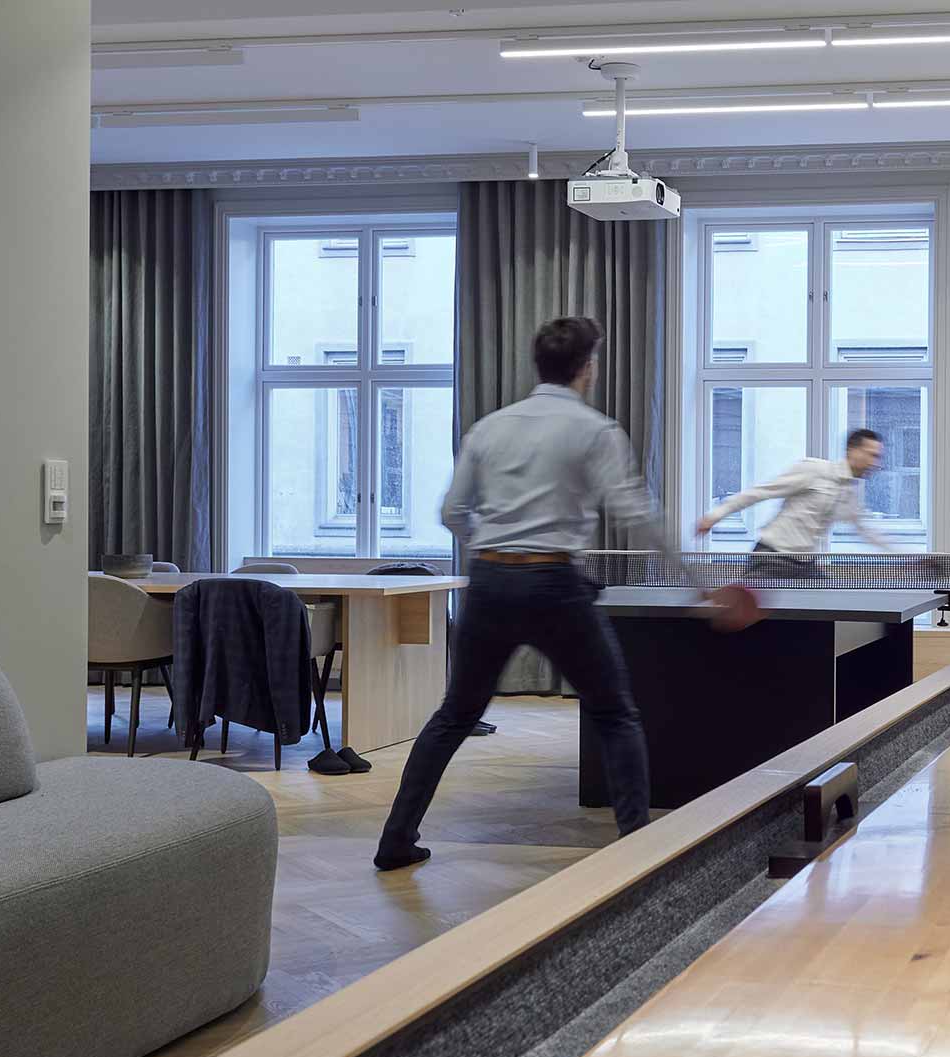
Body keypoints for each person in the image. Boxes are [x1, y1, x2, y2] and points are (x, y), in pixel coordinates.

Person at [376, 316, 666, 871]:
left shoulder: (489, 429)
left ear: (540, 364)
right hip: (554, 583)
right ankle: (636, 847)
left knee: (455, 715)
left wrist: (492, 547)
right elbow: (636, 513)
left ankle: (395, 840)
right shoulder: (595, 430)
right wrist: (699, 581)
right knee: (615, 715)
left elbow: (451, 512)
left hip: (489, 581)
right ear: (587, 367)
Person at [694, 429, 894, 577]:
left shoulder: (849, 495)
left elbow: (866, 532)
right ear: (852, 450)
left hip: (805, 565)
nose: (875, 463)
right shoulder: (815, 470)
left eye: (878, 457)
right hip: (771, 559)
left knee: (834, 608)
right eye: (871, 455)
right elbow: (762, 492)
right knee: (753, 618)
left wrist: (905, 557)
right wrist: (715, 515)